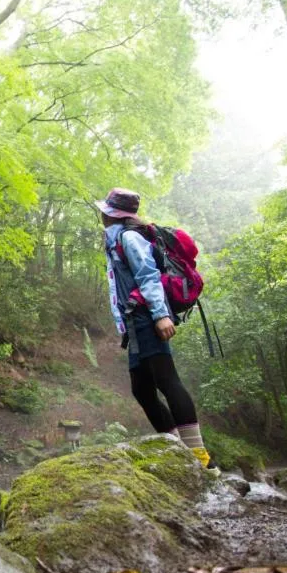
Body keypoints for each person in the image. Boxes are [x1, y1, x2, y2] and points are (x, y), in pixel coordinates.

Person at [95, 188, 211, 468]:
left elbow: (148, 276)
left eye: (105, 210)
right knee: (142, 390)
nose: (101, 214)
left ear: (111, 214)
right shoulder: (116, 240)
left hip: (147, 316)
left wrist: (160, 315)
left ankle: (199, 458)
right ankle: (177, 451)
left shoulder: (130, 237)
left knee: (167, 381)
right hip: (136, 321)